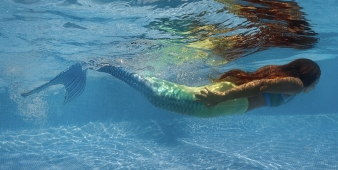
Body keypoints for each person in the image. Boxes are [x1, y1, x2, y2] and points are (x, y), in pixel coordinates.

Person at [21, 58, 320, 118]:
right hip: (226, 101)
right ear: (306, 77)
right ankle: (98, 63)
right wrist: (221, 94)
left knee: (160, 93)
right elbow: (262, 85)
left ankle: (96, 64)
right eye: (315, 83)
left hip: (229, 102)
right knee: (159, 96)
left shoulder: (291, 84)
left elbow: (262, 84)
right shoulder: (293, 84)